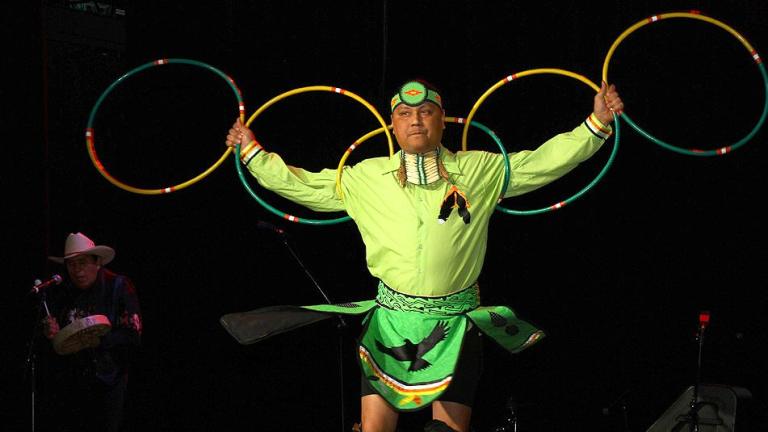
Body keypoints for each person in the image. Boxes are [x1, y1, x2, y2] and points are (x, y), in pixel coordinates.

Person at [223, 79, 623, 432]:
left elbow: (541, 163)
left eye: (425, 112)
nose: (415, 120)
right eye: (404, 113)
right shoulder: (365, 176)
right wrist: (252, 152)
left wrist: (596, 124)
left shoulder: (479, 170)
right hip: (391, 324)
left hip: (456, 323)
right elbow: (304, 186)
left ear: (442, 119)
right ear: (392, 124)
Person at [38, 232, 142, 432]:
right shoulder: (64, 293)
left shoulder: (118, 286)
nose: (77, 271)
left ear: (97, 262)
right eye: (71, 264)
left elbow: (133, 334)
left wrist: (99, 341)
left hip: (112, 384)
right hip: (74, 389)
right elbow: (59, 344)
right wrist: (53, 334)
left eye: (83, 263)